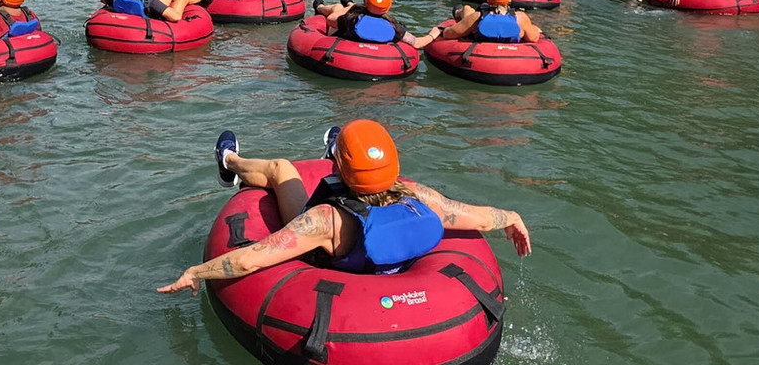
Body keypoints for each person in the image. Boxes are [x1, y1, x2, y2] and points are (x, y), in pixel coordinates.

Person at [157, 119, 530, 294]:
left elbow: (247, 260)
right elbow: (480, 219)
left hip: (335, 248)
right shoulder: (418, 196)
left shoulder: (323, 220)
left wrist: (195, 272)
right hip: (383, 265)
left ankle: (230, 164)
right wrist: (512, 217)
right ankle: (337, 148)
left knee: (281, 170)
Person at [314, 0, 441, 49]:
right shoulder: (393, 26)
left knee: (337, 7)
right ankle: (349, 2)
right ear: (388, 6)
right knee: (343, 7)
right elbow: (417, 43)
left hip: (347, 40)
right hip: (378, 56)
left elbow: (330, 20)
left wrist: (351, 8)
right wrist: (432, 34)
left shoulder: (352, 19)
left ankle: (320, 7)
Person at [439, 0, 542, 43]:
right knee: (534, 28)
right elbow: (534, 38)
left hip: (479, 52)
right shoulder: (521, 18)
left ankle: (458, 12)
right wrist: (534, 29)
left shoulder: (476, 17)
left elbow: (448, 34)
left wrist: (446, 28)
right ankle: (461, 11)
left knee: (467, 9)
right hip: (511, 58)